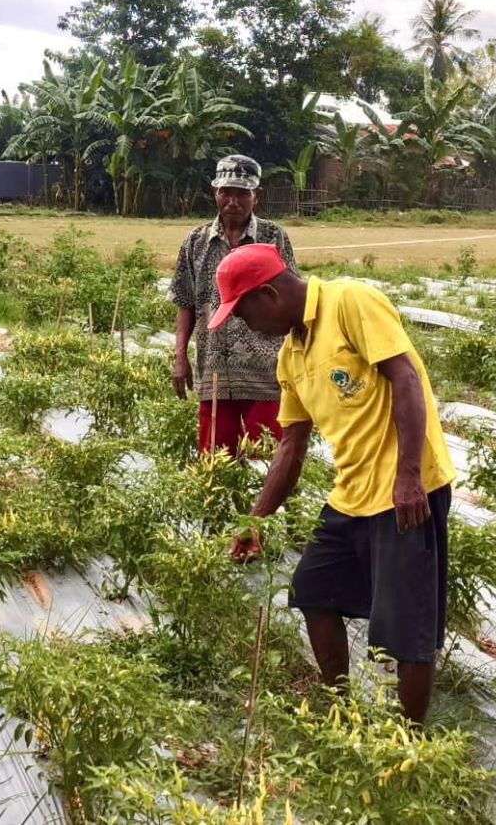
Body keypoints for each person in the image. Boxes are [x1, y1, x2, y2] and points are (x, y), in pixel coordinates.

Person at [210, 244, 455, 724]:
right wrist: (254, 521)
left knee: (409, 628)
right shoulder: (290, 356)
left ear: (268, 295)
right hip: (352, 493)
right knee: (313, 588)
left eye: (243, 313)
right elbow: (291, 448)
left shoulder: (349, 301)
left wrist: (409, 476)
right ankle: (341, 713)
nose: (246, 325)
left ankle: (411, 739)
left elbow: (405, 378)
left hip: (406, 490)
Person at [169, 155, 297, 455]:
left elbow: (291, 298)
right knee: (215, 463)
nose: (233, 201)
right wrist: (180, 356)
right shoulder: (196, 241)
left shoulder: (273, 237)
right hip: (214, 372)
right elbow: (185, 302)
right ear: (215, 192)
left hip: (265, 375)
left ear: (257, 195)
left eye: (242, 193)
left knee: (264, 459)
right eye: (226, 192)